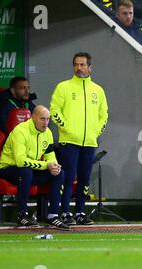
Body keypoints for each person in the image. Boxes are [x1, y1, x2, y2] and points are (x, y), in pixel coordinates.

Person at [50, 52, 109, 225]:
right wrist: (67, 128)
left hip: (89, 141)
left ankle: (80, 212)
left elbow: (103, 114)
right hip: (69, 141)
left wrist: (95, 132)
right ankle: (66, 212)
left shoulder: (98, 90)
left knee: (84, 178)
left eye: (82, 65)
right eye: (76, 64)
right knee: (69, 177)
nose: (79, 68)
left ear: (90, 68)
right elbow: (54, 110)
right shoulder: (63, 87)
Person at [0, 105, 69, 229]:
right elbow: (20, 161)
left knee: (59, 173)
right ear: (33, 117)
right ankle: (22, 215)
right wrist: (46, 165)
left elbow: (50, 154)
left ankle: (52, 215)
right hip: (7, 169)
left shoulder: (47, 133)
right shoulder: (20, 131)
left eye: (48, 119)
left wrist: (54, 165)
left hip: (29, 169)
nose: (46, 123)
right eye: (42, 119)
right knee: (26, 172)